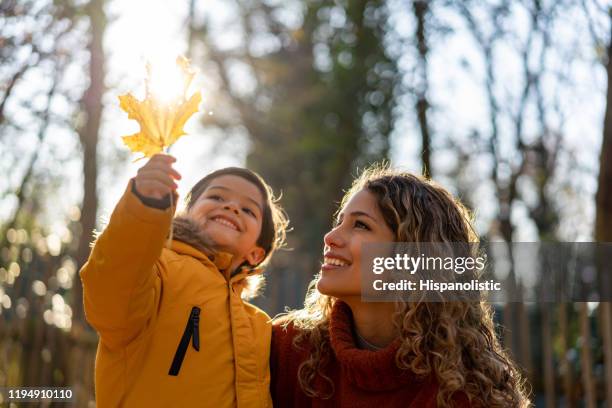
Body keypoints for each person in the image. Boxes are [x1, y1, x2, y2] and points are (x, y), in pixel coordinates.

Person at [271, 165, 530, 407]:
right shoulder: (287, 349)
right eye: (339, 222)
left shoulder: (468, 391)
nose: (330, 237)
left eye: (360, 225)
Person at [80, 154, 287, 407]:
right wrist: (145, 209)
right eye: (217, 197)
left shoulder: (261, 326)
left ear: (256, 253)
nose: (231, 207)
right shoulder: (158, 268)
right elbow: (113, 289)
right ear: (188, 213)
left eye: (248, 209)